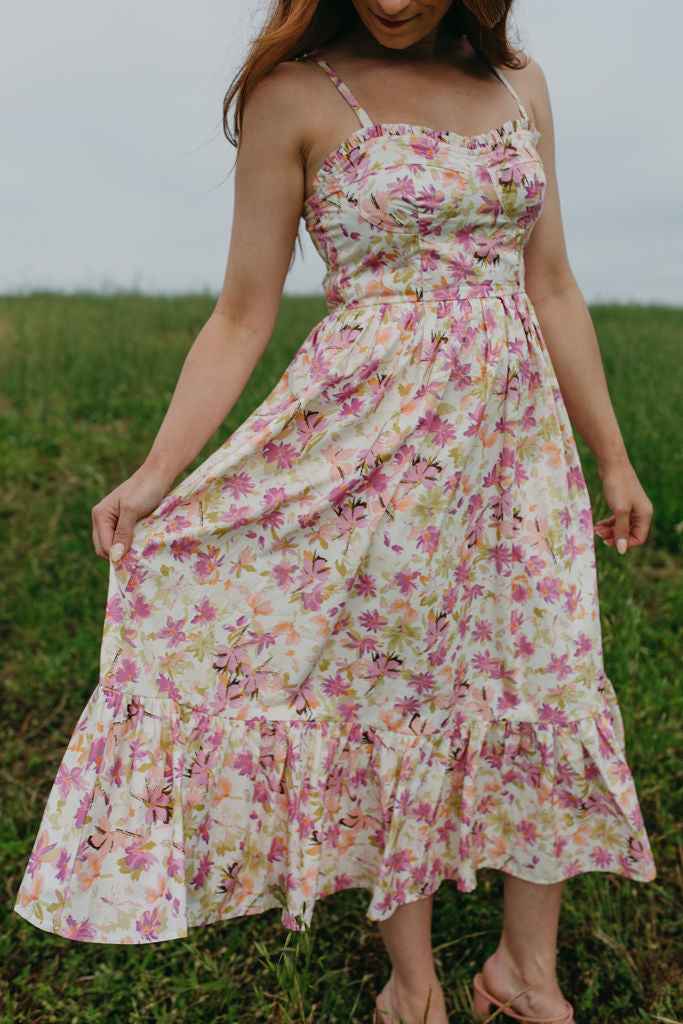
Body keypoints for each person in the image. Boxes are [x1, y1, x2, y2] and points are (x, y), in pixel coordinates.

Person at [14, 1, 657, 1022]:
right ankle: (412, 981)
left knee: (545, 662)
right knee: (382, 686)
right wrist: (153, 473)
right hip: (372, 441)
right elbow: (241, 311)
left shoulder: (518, 86)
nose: (390, 0)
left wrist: (611, 456)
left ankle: (523, 969)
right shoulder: (295, 94)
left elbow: (553, 285)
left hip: (512, 442)